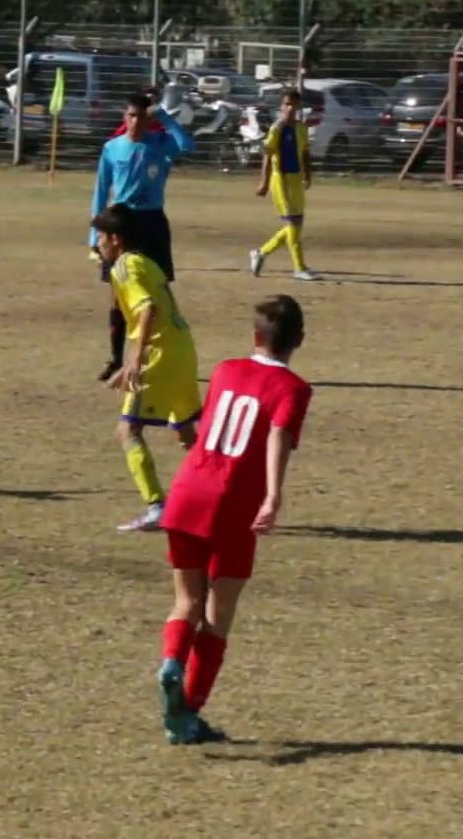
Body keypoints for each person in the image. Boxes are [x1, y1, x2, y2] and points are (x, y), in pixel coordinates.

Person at [154, 295, 313, 745]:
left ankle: (170, 661)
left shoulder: (225, 369)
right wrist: (274, 497)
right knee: (217, 617)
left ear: (255, 337)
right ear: (298, 341)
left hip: (187, 493)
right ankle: (187, 715)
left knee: (186, 602)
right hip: (231, 506)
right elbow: (278, 434)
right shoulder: (295, 389)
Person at [93, 203, 201, 533]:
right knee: (186, 434)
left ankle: (156, 506)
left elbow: (147, 309)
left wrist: (135, 360)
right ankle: (227, 492)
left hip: (160, 353)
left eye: (101, 236)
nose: (97, 242)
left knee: (129, 430)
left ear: (116, 239)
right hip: (183, 350)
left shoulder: (124, 267)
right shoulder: (148, 263)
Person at [89, 85, 195, 383]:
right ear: (126, 116)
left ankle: (159, 355)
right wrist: (93, 235)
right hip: (122, 222)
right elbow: (100, 191)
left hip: (152, 222)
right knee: (118, 296)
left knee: (158, 291)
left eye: (142, 117)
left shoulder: (160, 143)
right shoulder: (112, 148)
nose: (136, 122)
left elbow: (187, 145)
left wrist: (164, 116)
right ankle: (115, 359)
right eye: (132, 116)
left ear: (150, 119)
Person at [248, 89, 317, 282]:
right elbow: (268, 155)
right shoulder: (276, 128)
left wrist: (308, 175)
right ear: (281, 106)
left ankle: (260, 253)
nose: (290, 108)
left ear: (298, 107)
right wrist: (264, 182)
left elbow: (304, 152)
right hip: (281, 180)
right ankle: (299, 268)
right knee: (292, 224)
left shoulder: (301, 128)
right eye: (286, 104)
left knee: (296, 225)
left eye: (293, 105)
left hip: (296, 180)